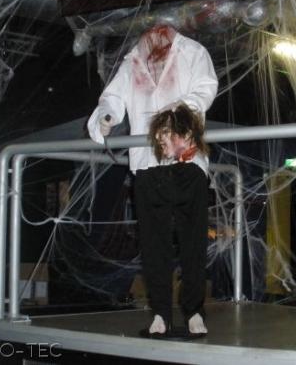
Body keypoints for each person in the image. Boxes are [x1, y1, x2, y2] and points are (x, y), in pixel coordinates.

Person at [87, 24, 217, 335]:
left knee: (193, 240)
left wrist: (180, 111)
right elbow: (113, 97)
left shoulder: (193, 52)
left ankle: (193, 310)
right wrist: (106, 117)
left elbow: (205, 87)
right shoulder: (134, 60)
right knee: (153, 243)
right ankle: (160, 312)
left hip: (187, 159)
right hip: (147, 164)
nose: (154, 36)